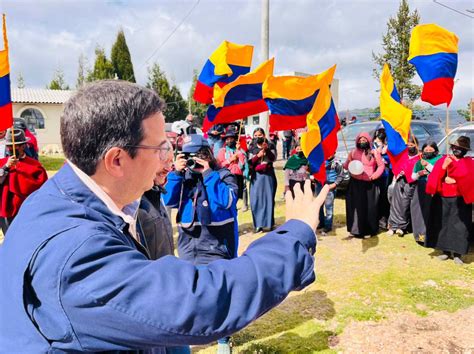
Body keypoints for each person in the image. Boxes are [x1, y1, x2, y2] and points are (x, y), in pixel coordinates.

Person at [0, 80, 330, 352]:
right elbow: (199, 301)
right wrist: (295, 234)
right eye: (159, 148)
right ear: (116, 161)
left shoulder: (55, 200)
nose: (168, 160)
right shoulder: (77, 252)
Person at [163, 134, 239, 263]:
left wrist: (208, 174)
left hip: (218, 247)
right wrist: (175, 174)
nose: (193, 160)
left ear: (208, 155)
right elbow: (168, 201)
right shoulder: (182, 177)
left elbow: (227, 201)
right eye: (188, 156)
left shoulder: (222, 175)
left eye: (198, 155)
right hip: (188, 248)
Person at [426, 136, 474, 265]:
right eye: (455, 147)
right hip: (443, 197)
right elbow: (433, 178)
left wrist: (456, 180)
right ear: (452, 147)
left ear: (465, 151)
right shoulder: (443, 160)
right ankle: (445, 251)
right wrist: (443, 168)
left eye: (461, 148)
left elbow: (471, 181)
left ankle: (458, 253)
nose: (457, 149)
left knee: (460, 227)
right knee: (444, 224)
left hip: (460, 199)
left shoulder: (469, 163)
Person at [0, 129, 48, 234]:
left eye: (16, 145)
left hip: (28, 211)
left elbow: (43, 190)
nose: (12, 148)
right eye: (9, 146)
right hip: (7, 211)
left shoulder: (35, 166)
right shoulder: (2, 163)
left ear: (23, 146)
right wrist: (6, 167)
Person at [137, 143, 175, 260]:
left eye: (171, 161)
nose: (169, 168)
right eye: (164, 160)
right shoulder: (134, 201)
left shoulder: (156, 193)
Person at [343, 132, 385, 238]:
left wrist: (374, 175)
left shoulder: (374, 152)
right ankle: (355, 229)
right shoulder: (352, 152)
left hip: (369, 184)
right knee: (356, 207)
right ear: (357, 141)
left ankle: (368, 230)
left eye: (364, 140)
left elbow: (381, 166)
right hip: (355, 184)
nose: (362, 141)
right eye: (360, 140)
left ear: (369, 141)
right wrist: (348, 162)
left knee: (369, 208)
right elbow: (346, 166)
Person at [386, 136, 420, 237]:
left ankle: (402, 227)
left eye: (412, 145)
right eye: (408, 145)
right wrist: (398, 173)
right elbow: (397, 164)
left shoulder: (419, 157)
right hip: (399, 181)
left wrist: (408, 174)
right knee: (395, 203)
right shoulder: (404, 155)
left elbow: (418, 170)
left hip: (410, 183)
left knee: (405, 204)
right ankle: (392, 226)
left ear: (416, 145)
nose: (410, 147)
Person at [409, 141, 442, 245]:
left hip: (434, 189)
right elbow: (413, 177)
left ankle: (432, 236)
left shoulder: (439, 160)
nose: (428, 152)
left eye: (430, 150)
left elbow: (439, 172)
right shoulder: (419, 161)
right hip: (421, 189)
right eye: (425, 150)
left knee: (431, 212)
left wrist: (428, 165)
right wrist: (420, 173)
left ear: (435, 150)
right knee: (419, 213)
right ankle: (420, 236)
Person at [248, 128, 277, 233]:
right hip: (256, 177)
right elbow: (249, 162)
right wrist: (258, 156)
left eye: (260, 135)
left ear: (264, 135)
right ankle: (258, 224)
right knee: (256, 200)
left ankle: (269, 224)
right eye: (255, 135)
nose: (257, 137)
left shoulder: (270, 144)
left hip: (268, 176)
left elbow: (273, 158)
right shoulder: (251, 147)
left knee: (268, 199)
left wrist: (267, 150)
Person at [217, 125, 248, 211]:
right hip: (228, 176)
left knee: (238, 194)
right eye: (227, 139)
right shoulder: (222, 151)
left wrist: (239, 151)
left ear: (235, 139)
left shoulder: (239, 150)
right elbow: (220, 165)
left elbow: (243, 163)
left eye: (231, 139)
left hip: (238, 176)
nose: (229, 141)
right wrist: (230, 160)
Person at [317, 155, 344, 236]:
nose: (329, 154)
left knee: (328, 207)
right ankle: (321, 222)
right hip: (319, 185)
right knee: (319, 205)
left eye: (331, 152)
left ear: (334, 152)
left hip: (330, 186)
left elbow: (340, 176)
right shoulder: (321, 161)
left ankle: (328, 226)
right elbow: (315, 170)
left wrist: (334, 184)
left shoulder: (337, 163)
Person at [372, 128, 390, 230]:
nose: (379, 137)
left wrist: (383, 154)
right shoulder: (371, 145)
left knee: (384, 197)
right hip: (373, 173)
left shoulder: (388, 146)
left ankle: (383, 220)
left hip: (385, 175)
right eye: (378, 135)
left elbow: (391, 159)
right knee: (374, 197)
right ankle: (374, 218)